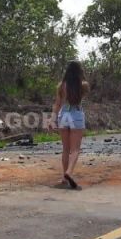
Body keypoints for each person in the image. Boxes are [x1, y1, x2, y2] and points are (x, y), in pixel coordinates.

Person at [51, 61, 89, 189]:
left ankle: (64, 176)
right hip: (76, 114)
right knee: (75, 149)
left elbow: (57, 104)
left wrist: (52, 119)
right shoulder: (83, 85)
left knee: (65, 149)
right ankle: (69, 172)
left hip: (63, 115)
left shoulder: (61, 85)